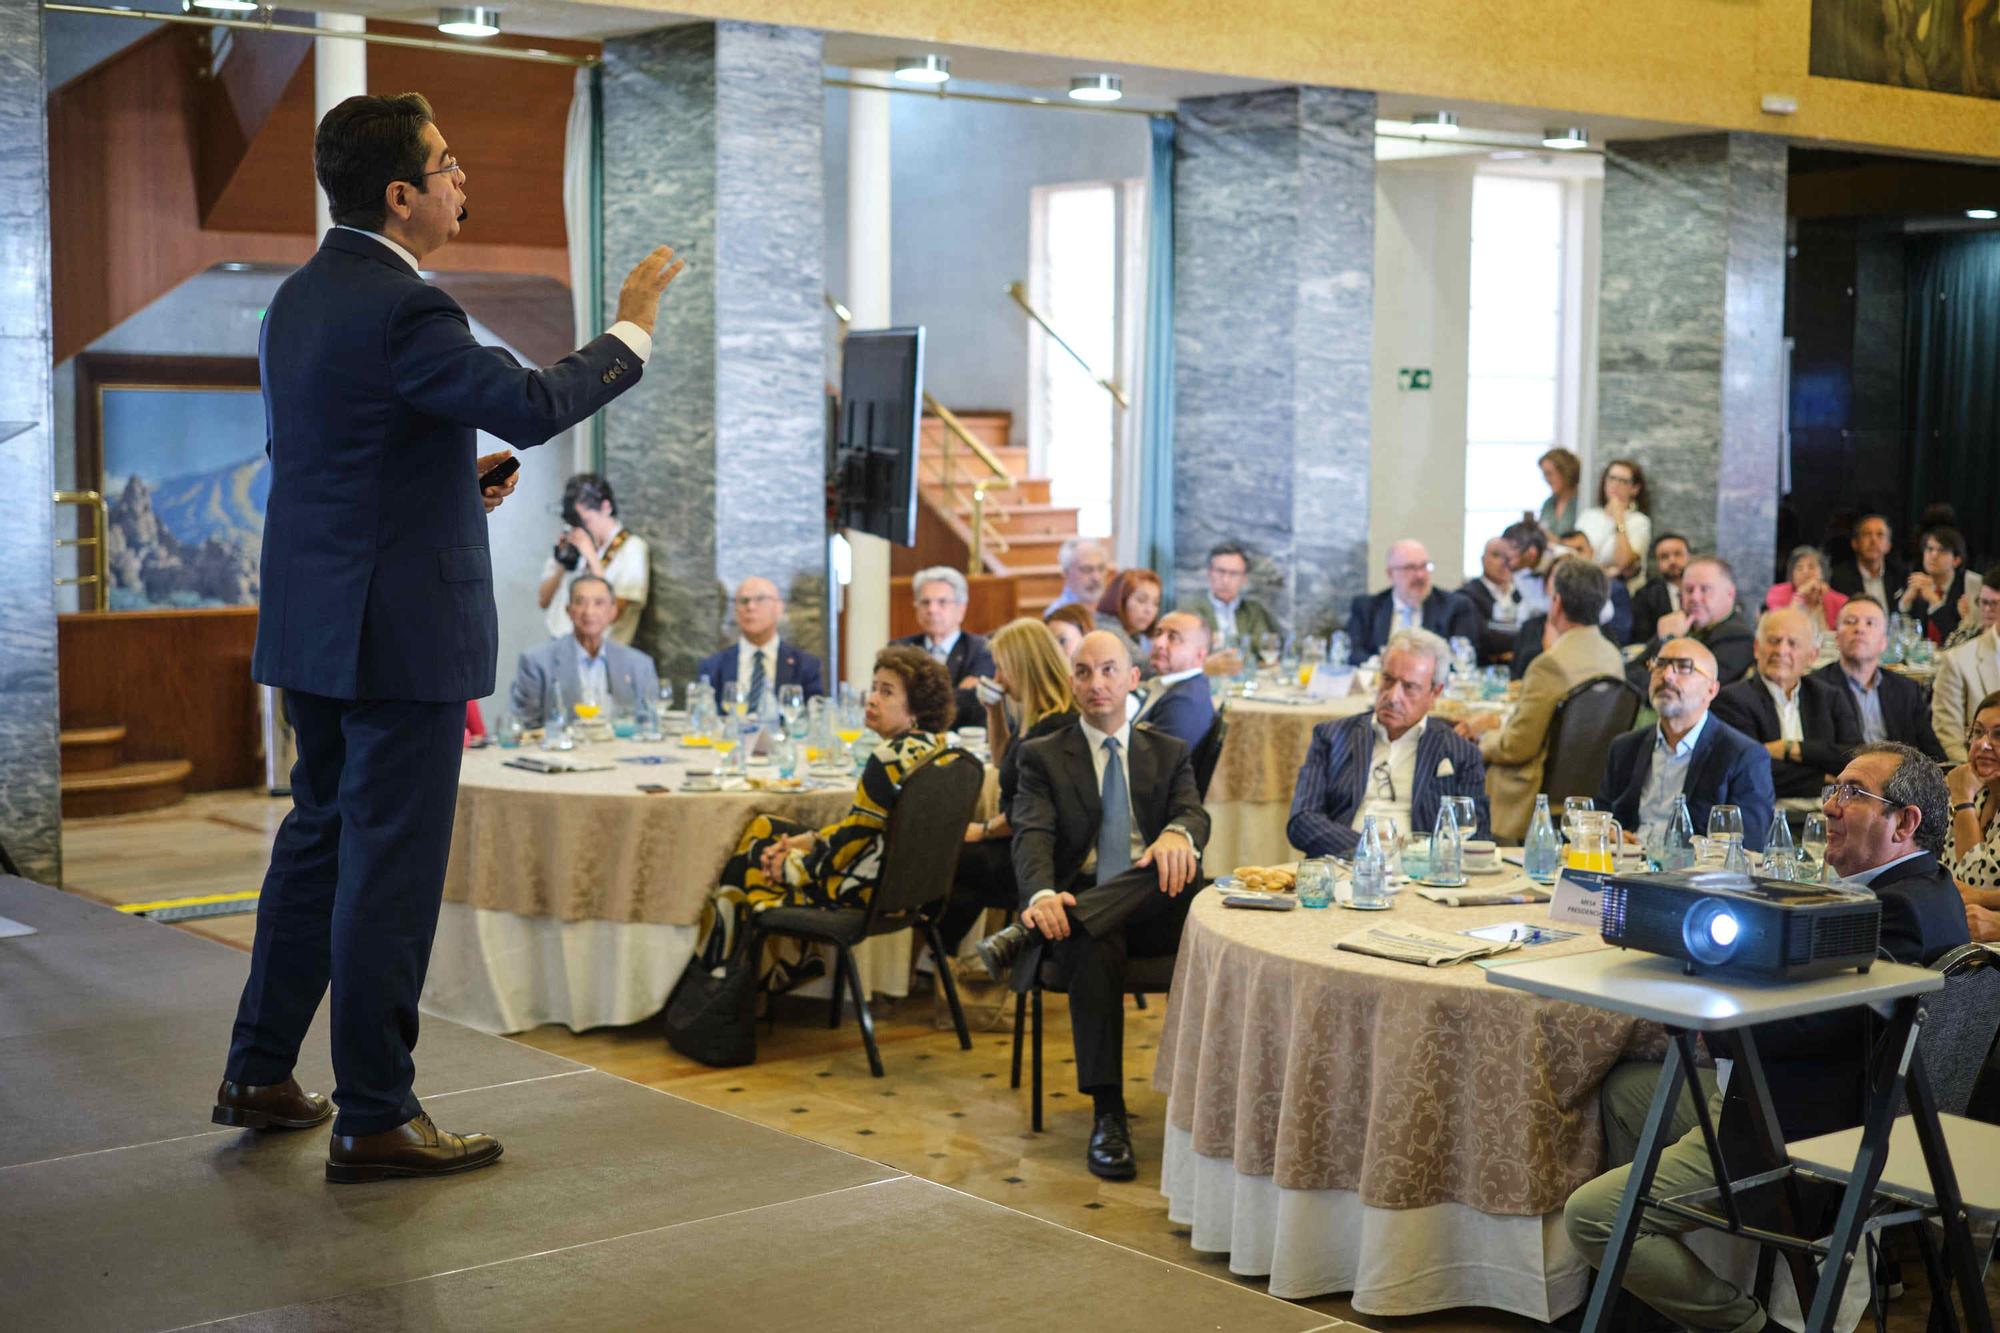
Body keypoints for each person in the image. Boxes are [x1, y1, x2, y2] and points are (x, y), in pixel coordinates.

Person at [216, 92, 681, 1182]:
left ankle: (258, 1068)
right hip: (401, 634)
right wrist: (630, 330)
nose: (462, 180)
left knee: (318, 842)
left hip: (317, 624)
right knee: (388, 869)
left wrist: (438, 486)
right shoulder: (407, 308)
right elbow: (528, 402)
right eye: (449, 163)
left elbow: (330, 457)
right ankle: (375, 1110)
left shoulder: (296, 300)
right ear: (400, 195)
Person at [1566, 742, 1968, 1333]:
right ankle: (1649, 1279)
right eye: (1833, 790)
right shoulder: (1933, 890)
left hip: (1805, 1129)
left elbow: (1807, 1029)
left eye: (1853, 794)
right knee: (1626, 1090)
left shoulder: (1891, 913)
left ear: (1904, 823)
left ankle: (1745, 1323)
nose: (1829, 806)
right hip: (1834, 1102)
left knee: (1591, 1218)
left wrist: (1709, 990)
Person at [973, 632, 1210, 1181]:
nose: (1096, 683)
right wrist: (1038, 896)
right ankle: (1108, 1115)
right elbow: (1029, 836)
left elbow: (1195, 815)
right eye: (1083, 672)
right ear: (1072, 682)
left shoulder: (1167, 753)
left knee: (1167, 867)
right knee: (1092, 937)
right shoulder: (1042, 757)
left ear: (1133, 679)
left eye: (1108, 670)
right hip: (1074, 906)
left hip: (1156, 904)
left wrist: (1178, 833)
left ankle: (1029, 934)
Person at [719, 646, 954, 912]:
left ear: (917, 708)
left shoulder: (888, 758)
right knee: (766, 826)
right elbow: (861, 827)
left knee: (758, 845)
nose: (872, 699)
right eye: (874, 688)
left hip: (861, 890)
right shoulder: (940, 750)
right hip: (910, 890)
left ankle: (728, 945)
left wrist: (791, 867)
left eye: (886, 692)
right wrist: (807, 841)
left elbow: (854, 840)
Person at [932, 619, 1077, 954]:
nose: (996, 678)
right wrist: (993, 710)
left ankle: (945, 955)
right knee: (947, 865)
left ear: (1023, 668)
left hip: (1041, 855)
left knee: (940, 859)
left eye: (1002, 669)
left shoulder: (1054, 728)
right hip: (1024, 842)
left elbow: (1028, 813)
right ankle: (950, 955)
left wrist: (982, 830)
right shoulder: (1039, 718)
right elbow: (1002, 763)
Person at [1459, 560, 1623, 842]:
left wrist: (1482, 741)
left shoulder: (1549, 665)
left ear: (1556, 603)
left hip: (1533, 795)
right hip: (1589, 785)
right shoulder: (1612, 656)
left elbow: (1516, 748)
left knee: (1457, 755)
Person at [1288, 628, 1491, 856]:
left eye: (1409, 687)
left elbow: (1476, 837)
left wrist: (1412, 856)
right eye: (1387, 679)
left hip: (1421, 877)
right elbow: (1302, 821)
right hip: (1343, 869)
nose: (1393, 697)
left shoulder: (1461, 753)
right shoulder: (1332, 736)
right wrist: (1368, 849)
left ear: (1435, 693)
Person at [1599, 638, 1775, 852]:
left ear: (1711, 690)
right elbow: (1602, 816)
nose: (1666, 676)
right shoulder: (1625, 747)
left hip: (1693, 877)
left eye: (1683, 667)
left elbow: (1749, 846)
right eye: (1660, 664)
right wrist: (1606, 833)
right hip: (1626, 868)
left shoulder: (1743, 756)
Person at [1710, 607, 1863, 800]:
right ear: (1757, 649)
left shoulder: (1829, 697)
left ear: (1812, 655)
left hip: (1831, 813)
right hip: (1766, 812)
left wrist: (1789, 748)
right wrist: (1822, 778)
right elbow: (1748, 769)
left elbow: (1855, 756)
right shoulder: (1731, 700)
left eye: (1793, 643)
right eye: (1774, 641)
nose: (1781, 650)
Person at [509, 575, 659, 724]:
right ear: (568, 610)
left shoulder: (639, 664)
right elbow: (525, 727)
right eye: (580, 602)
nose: (589, 612)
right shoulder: (536, 662)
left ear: (613, 612)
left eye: (599, 603)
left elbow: (650, 724)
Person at [1812, 595, 1944, 760]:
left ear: (1884, 642)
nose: (1860, 629)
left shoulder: (1906, 689)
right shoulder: (1815, 687)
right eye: (1850, 621)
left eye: (1870, 623)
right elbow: (1818, 753)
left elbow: (1932, 751)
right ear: (1837, 638)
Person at [536, 473, 648, 645]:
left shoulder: (632, 548)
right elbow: (543, 601)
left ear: (606, 507)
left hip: (601, 653)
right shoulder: (574, 538)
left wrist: (590, 555)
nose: (581, 528)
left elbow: (614, 613)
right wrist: (563, 561)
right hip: (558, 643)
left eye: (586, 521)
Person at [1625, 555, 1755, 691]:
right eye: (1688, 590)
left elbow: (1683, 691)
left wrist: (1669, 641)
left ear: (1730, 593)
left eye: (1705, 589)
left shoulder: (1738, 638)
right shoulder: (1681, 625)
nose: (1694, 597)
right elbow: (1630, 674)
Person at [695, 577, 825, 708]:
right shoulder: (712, 667)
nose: (750, 607)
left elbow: (816, 716)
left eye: (760, 599)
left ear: (779, 608)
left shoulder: (806, 667)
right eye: (744, 601)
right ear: (735, 610)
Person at [891, 566, 993, 732]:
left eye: (942, 602)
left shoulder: (982, 650)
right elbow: (892, 704)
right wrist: (958, 693)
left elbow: (972, 706)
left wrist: (915, 700)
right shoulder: (899, 650)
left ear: (961, 609)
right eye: (925, 602)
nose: (932, 609)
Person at [1345, 539, 1481, 661]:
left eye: (1424, 566)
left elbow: (1462, 658)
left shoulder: (1456, 606)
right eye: (1410, 568)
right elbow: (1353, 652)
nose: (1420, 575)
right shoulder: (1366, 607)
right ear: (1390, 574)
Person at [1932, 574, 2000, 761]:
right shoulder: (1958, 660)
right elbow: (1949, 735)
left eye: (1994, 603)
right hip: (1983, 772)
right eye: (1983, 602)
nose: (1987, 609)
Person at [1134, 612, 1216, 752]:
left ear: (1200, 654)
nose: (1159, 643)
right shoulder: (1176, 687)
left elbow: (1153, 767)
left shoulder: (1184, 702)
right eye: (1158, 633)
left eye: (1173, 637)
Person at [1185, 540, 1283, 650]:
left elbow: (1265, 644)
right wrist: (1244, 642)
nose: (1226, 580)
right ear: (1209, 573)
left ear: (1244, 578)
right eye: (1220, 571)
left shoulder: (1253, 610)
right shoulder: (1190, 610)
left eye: (1234, 573)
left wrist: (1225, 640)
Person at [1901, 526, 1983, 645]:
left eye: (1942, 550)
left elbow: (1958, 638)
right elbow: (1900, 634)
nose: (1933, 555)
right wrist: (1905, 602)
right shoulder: (1916, 581)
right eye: (1929, 549)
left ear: (1956, 560)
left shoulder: (1972, 585)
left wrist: (1934, 601)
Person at [1574, 457, 1652, 583]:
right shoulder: (1588, 516)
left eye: (1623, 481)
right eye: (1611, 478)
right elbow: (1574, 554)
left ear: (1635, 488)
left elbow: (1623, 562)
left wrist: (1619, 519)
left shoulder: (1640, 522)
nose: (1615, 484)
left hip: (1621, 592)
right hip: (1585, 583)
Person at [1457, 535, 1527, 665]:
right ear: (1483, 559)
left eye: (1509, 557)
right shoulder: (1467, 596)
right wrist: (1523, 644)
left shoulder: (1524, 594)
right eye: (1496, 555)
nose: (1504, 562)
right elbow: (1483, 640)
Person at [1763, 543, 1846, 632]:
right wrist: (1800, 595)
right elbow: (1782, 629)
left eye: (1811, 567)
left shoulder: (1839, 601)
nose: (1805, 572)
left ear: (1823, 572)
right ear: (1792, 574)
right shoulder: (1778, 593)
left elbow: (1837, 638)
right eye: (1799, 568)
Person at [1829, 512, 1908, 603]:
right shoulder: (1840, 578)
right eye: (1867, 534)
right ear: (1855, 543)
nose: (1873, 540)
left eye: (1880, 534)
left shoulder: (1899, 575)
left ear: (1888, 545)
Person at [1629, 531, 1690, 646]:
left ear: (1689, 556)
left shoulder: (1704, 591)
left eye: (1678, 554)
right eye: (1664, 557)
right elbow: (1642, 639)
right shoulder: (1645, 596)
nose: (1672, 561)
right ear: (1657, 563)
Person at [1095, 568, 1163, 664]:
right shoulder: (1106, 629)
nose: (1149, 610)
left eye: (1156, 603)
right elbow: (1144, 667)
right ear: (1119, 599)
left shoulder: (1136, 635)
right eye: (1141, 600)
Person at [1043, 537, 1111, 617]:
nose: (1096, 578)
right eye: (1087, 569)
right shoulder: (1057, 616)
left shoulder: (1114, 611)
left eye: (1101, 568)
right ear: (1066, 573)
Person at [1501, 517, 1552, 618]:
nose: (1504, 559)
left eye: (1512, 548)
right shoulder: (1520, 573)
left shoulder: (1561, 565)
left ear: (1531, 552)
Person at [1536, 446, 1581, 537]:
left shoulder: (1581, 503)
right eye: (1544, 474)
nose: (1546, 479)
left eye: (1549, 474)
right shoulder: (1548, 504)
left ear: (1565, 472)